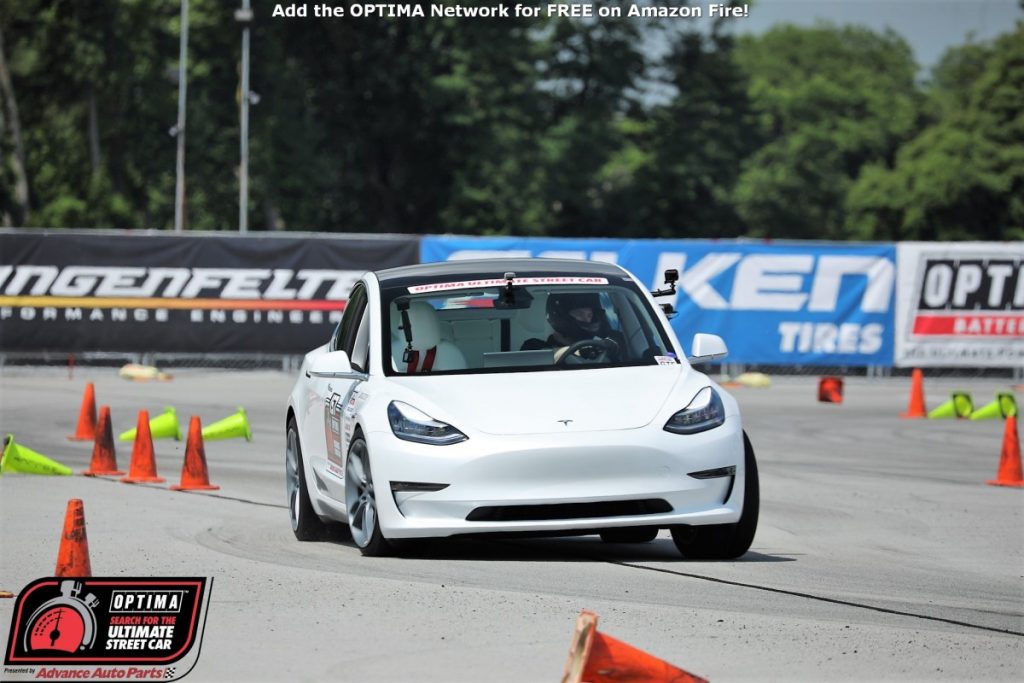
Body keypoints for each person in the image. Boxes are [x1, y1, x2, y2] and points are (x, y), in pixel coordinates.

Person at [521, 292, 625, 361]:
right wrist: (578, 351)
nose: (587, 320)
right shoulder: (533, 346)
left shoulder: (604, 343)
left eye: (590, 315)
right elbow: (542, 356)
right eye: (580, 314)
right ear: (560, 317)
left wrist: (609, 346)